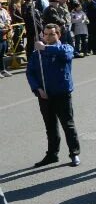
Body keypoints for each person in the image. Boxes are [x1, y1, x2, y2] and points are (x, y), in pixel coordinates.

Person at [26, 24, 81, 167]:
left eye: (52, 34)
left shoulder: (65, 47)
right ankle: (52, 154)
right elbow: (30, 72)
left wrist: (45, 48)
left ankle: (74, 154)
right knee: (50, 126)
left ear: (58, 35)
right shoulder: (37, 53)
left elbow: (66, 55)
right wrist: (38, 89)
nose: (48, 37)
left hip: (61, 93)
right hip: (44, 95)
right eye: (46, 34)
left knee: (68, 125)